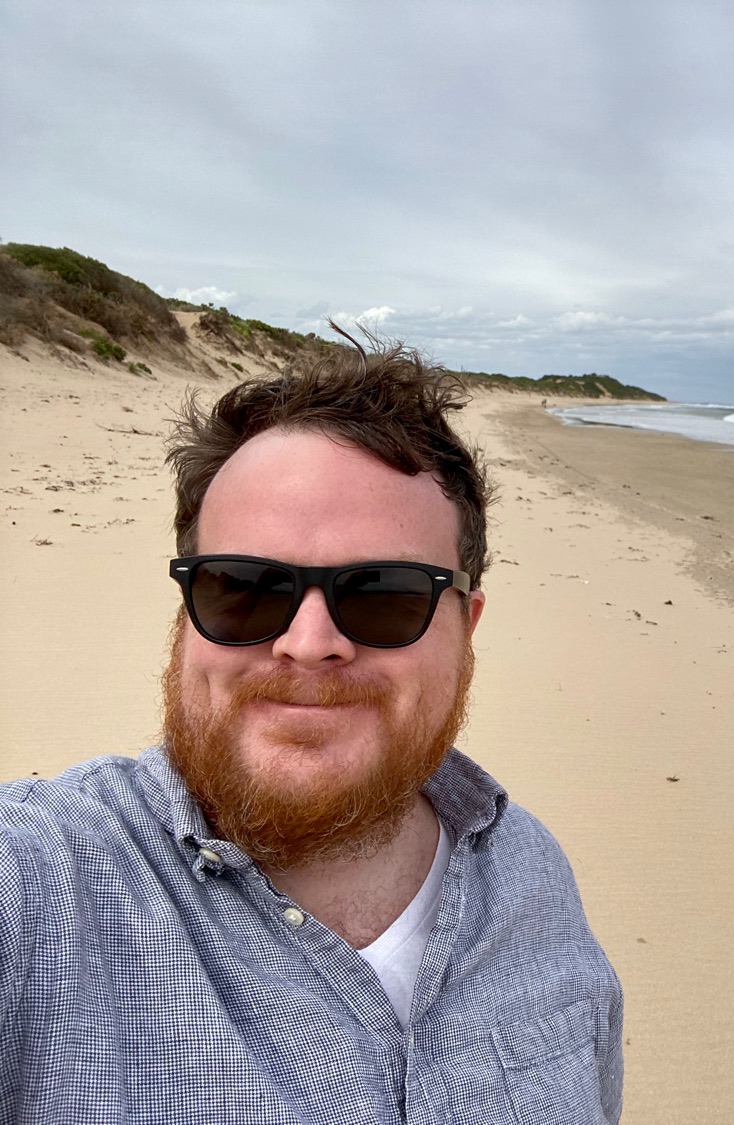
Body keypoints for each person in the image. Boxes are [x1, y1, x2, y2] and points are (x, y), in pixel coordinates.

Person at [0, 337, 623, 1124]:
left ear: (466, 628)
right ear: (188, 614)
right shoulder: (40, 883)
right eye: (247, 589)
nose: (308, 641)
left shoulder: (532, 878)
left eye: (385, 594)